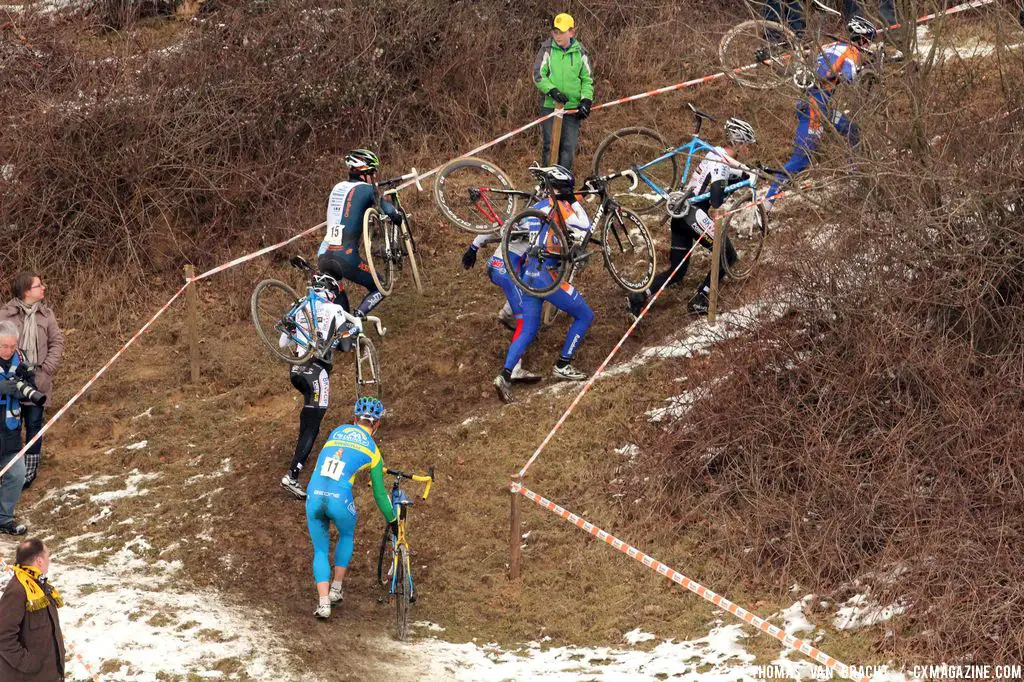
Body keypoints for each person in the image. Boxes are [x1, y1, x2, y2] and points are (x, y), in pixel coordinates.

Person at [483, 166, 595, 403]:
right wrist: (576, 202)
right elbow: (584, 228)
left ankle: (504, 375)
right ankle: (563, 364)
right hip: (548, 276)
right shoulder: (565, 208)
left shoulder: (537, 208)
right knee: (585, 315)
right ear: (564, 189)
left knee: (528, 328)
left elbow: (514, 230)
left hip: (528, 276)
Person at [627, 118, 758, 319]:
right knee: (727, 256)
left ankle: (639, 296)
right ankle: (701, 299)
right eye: (747, 145)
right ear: (738, 142)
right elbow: (716, 199)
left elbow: (736, 173)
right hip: (693, 214)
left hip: (681, 216)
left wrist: (749, 175)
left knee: (678, 272)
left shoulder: (715, 154)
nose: (749, 149)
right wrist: (737, 182)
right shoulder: (720, 161)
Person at [765, 16, 876, 207]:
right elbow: (849, 77)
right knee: (801, 158)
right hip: (814, 108)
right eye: (869, 41)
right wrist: (862, 71)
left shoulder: (830, 46)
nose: (868, 46)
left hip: (820, 106)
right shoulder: (851, 51)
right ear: (863, 39)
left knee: (852, 129)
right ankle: (766, 202)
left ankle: (854, 175)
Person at [305, 397, 397, 619]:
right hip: (339, 499)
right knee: (346, 534)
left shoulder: (336, 431)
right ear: (376, 425)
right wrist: (392, 520)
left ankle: (324, 603)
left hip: (314, 494)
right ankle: (336, 588)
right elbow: (379, 494)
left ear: (355, 419)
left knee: (319, 550)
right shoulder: (373, 451)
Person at [278, 273, 358, 500]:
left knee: (308, 421)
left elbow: (283, 343)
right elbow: (345, 345)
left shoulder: (301, 307)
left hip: (296, 372)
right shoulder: (334, 309)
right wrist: (352, 331)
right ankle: (292, 476)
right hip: (316, 373)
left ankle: (296, 464)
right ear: (331, 292)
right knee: (313, 426)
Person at [317, 149, 403, 320]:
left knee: (338, 292)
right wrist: (398, 217)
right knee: (381, 285)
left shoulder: (337, 187)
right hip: (345, 257)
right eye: (373, 173)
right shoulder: (366, 189)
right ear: (365, 174)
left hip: (323, 255)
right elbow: (390, 212)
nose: (374, 178)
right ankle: (358, 316)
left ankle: (343, 333)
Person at [0, 272, 64, 489]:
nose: (43, 287)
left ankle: (30, 470)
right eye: (39, 285)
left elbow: (57, 342)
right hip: (9, 384)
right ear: (26, 291)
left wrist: (46, 369)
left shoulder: (47, 315)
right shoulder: (5, 315)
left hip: (38, 380)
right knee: (10, 428)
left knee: (35, 425)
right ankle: (9, 470)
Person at [533, 12, 594, 172]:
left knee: (568, 147)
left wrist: (586, 101)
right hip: (550, 106)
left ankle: (563, 186)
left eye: (561, 32)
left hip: (572, 108)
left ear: (572, 32)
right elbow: (538, 75)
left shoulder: (581, 52)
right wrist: (552, 90)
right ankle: (547, 187)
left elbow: (587, 80)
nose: (557, 36)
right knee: (550, 145)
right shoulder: (547, 49)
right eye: (555, 32)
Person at [0, 538, 64, 681]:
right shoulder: (18, 590)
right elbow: (3, 635)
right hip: (28, 677)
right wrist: (27, 664)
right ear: (39, 561)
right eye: (48, 555)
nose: (49, 559)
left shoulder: (38, 585)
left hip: (49, 673)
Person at [0, 321, 42, 536]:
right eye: (4, 346)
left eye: (12, 346)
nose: (8, 351)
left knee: (17, 474)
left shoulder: (22, 362)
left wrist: (20, 391)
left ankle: (4, 519)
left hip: (11, 434)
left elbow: (32, 388)